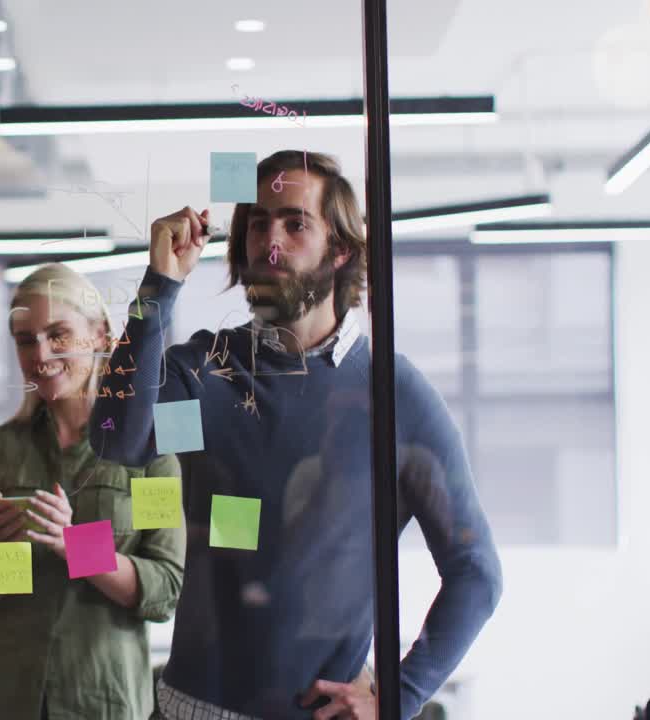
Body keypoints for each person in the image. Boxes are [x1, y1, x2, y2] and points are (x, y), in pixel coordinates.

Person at [92, 151, 503, 720]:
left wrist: (398, 697)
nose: (270, 241)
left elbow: (475, 571)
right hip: (188, 709)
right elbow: (117, 437)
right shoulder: (208, 372)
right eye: (258, 223)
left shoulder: (392, 395)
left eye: (295, 223)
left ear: (341, 249)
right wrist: (159, 286)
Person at [0, 263, 187, 720]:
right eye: (25, 340)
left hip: (99, 701)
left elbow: (164, 592)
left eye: (58, 334)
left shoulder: (149, 455)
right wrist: (6, 553)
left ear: (99, 335)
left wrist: (76, 545)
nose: (40, 354)